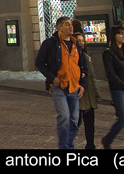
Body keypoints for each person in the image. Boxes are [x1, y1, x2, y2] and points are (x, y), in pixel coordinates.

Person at [35, 16, 87, 149]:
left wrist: (82, 84)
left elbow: (82, 66)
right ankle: (65, 147)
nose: (71, 26)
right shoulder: (50, 43)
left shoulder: (76, 44)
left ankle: (68, 144)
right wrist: (52, 78)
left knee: (74, 120)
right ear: (58, 28)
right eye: (67, 24)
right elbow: (39, 63)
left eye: (71, 24)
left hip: (74, 87)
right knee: (64, 117)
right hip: (59, 87)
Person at [74, 32, 100, 149]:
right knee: (76, 122)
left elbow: (92, 77)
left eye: (82, 40)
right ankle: (67, 144)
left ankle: (90, 145)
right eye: (78, 40)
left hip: (88, 94)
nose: (81, 43)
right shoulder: (73, 57)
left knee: (90, 123)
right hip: (78, 93)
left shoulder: (86, 57)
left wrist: (97, 93)